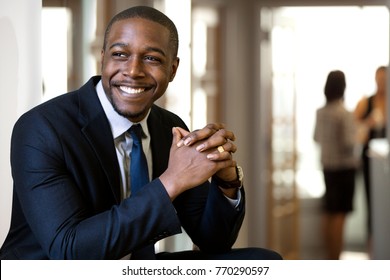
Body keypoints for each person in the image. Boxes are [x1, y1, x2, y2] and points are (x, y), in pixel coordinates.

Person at [0, 6, 281, 260]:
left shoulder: (168, 127)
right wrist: (173, 180)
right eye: (120, 54)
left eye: (151, 59)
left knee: (263, 262)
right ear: (103, 58)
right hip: (52, 270)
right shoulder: (41, 128)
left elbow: (214, 242)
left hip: (135, 267)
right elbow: (69, 250)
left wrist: (226, 181)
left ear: (172, 69)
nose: (133, 71)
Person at [314, 70, 358, 259]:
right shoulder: (345, 113)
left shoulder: (320, 112)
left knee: (329, 211)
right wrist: (361, 132)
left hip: (327, 167)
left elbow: (315, 138)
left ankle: (329, 258)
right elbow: (349, 143)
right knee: (340, 214)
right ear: (343, 87)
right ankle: (336, 259)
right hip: (344, 168)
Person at [353, 66, 387, 250]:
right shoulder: (366, 102)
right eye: (379, 79)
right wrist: (368, 124)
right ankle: (372, 246)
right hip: (371, 162)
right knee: (372, 202)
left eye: (385, 79)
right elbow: (353, 130)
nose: (382, 83)